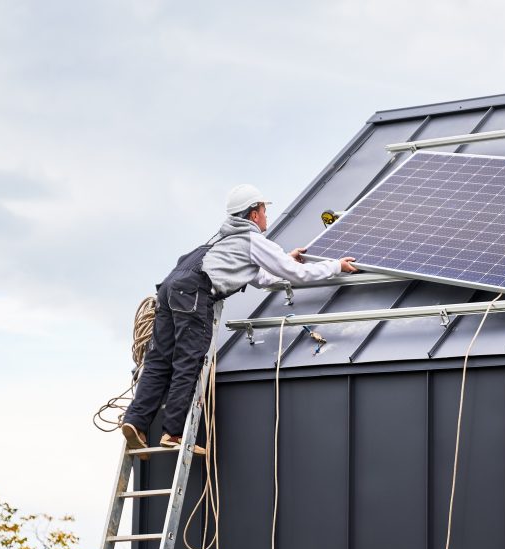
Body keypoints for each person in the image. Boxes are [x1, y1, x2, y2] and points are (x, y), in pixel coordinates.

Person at [120, 184, 359, 450]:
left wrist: (286, 260)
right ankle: (173, 434)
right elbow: (295, 274)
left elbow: (263, 277)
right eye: (264, 210)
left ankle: (136, 423)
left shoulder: (222, 238)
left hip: (169, 288)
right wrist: (336, 266)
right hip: (193, 292)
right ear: (253, 214)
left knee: (159, 360)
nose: (266, 215)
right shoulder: (252, 240)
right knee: (188, 359)